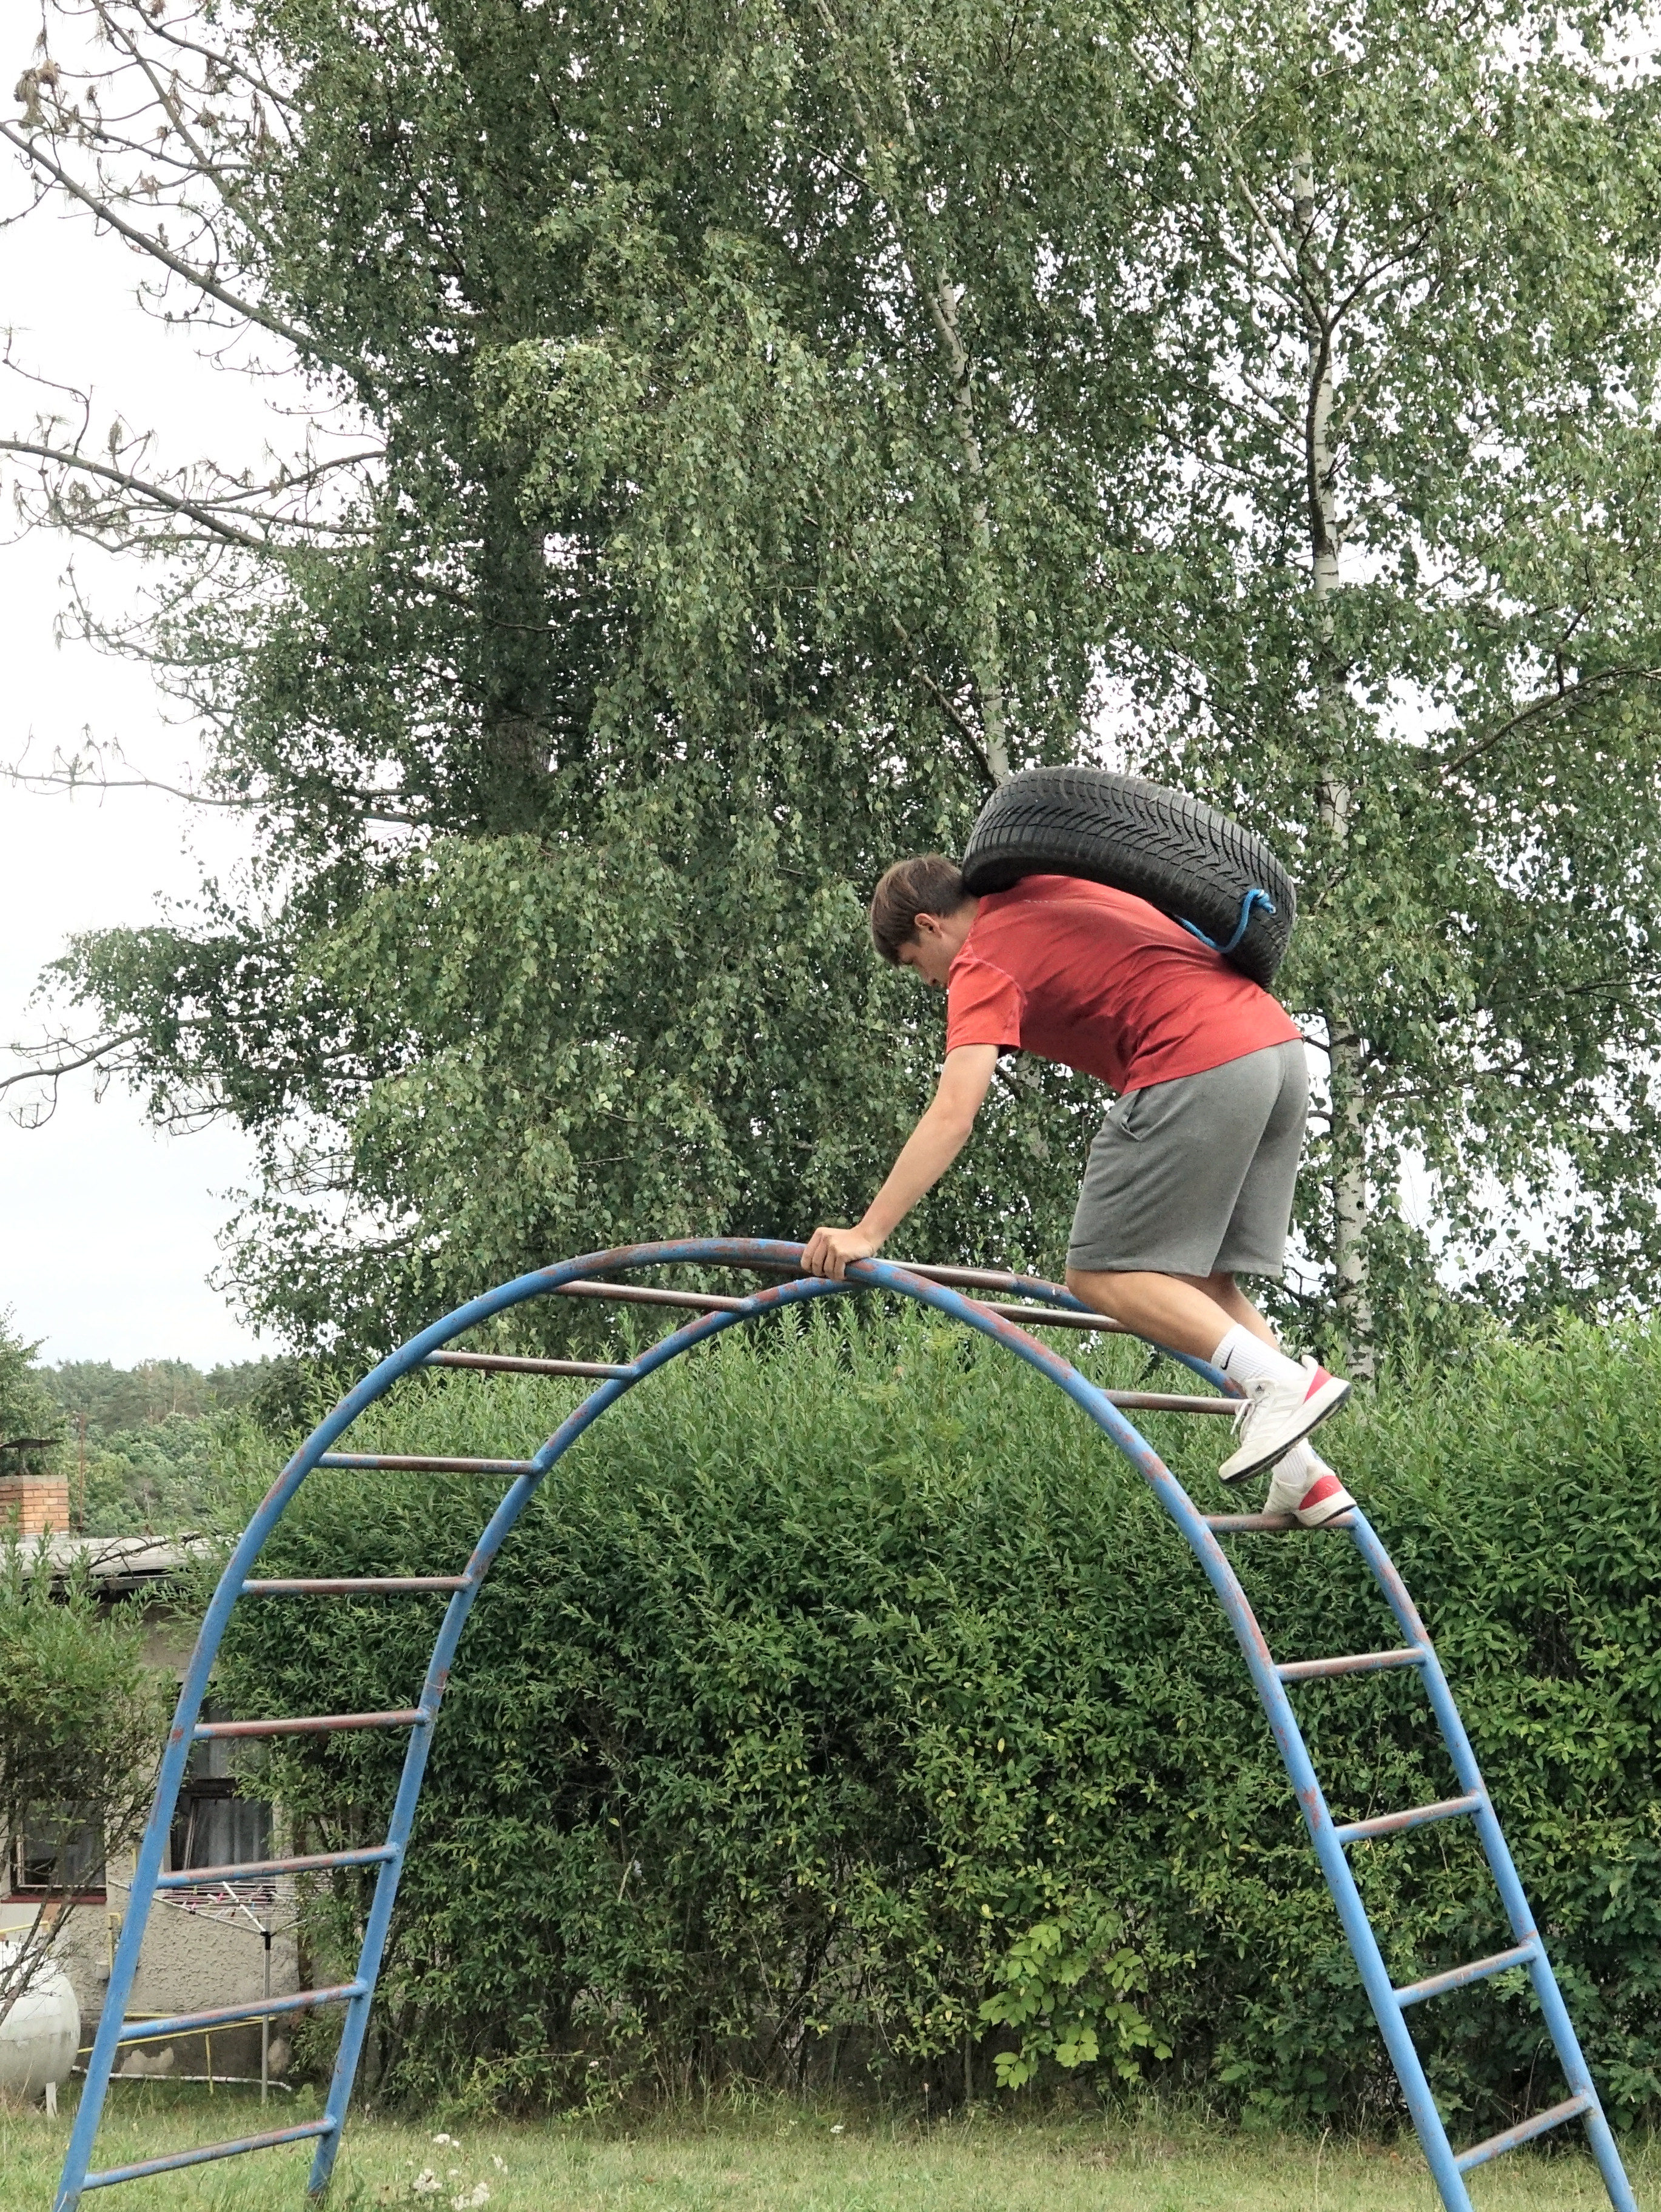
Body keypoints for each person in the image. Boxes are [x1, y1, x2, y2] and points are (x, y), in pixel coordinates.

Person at [801, 856, 1355, 1526]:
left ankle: (1281, 1382)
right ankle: (1304, 1476)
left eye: (916, 963)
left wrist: (867, 1232)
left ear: (929, 924)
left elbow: (952, 1115)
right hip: (1278, 1052)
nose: (927, 980)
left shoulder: (981, 959)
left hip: (1196, 1060)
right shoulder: (1044, 888)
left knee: (1100, 1272)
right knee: (1205, 1284)